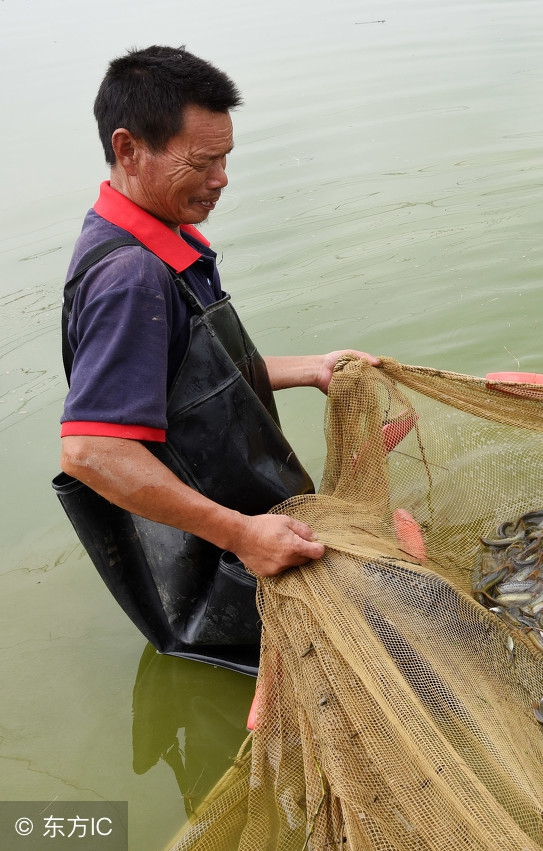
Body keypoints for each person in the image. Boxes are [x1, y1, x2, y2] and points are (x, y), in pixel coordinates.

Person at [52, 45, 377, 673]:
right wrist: (244, 536)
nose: (222, 177)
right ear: (128, 149)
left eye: (226, 158)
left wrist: (310, 368)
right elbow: (91, 450)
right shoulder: (130, 277)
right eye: (203, 162)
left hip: (258, 535)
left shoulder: (167, 238)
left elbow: (191, 377)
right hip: (219, 574)